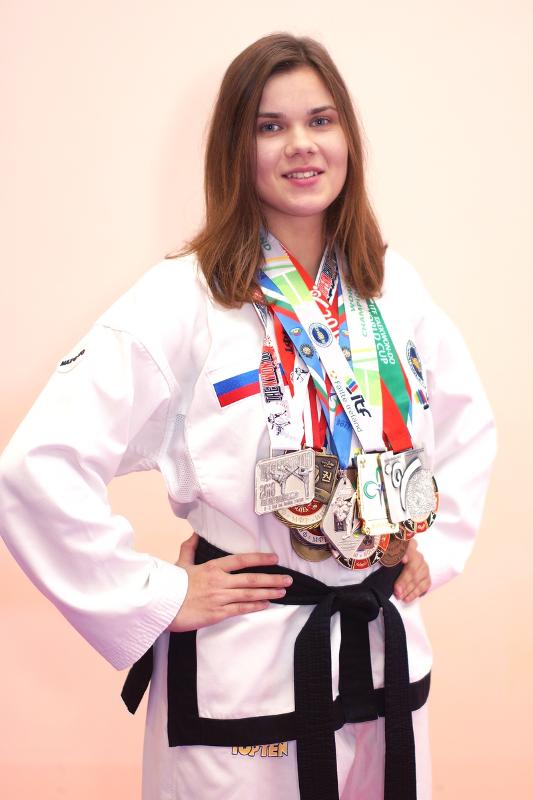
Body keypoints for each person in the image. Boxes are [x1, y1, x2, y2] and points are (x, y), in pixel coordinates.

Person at [0, 33, 496, 800]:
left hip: (379, 647)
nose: (301, 145)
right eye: (270, 126)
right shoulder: (183, 298)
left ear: (347, 137)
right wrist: (156, 595)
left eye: (320, 120)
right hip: (248, 665)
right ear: (235, 147)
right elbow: (36, 468)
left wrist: (432, 543)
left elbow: (466, 427)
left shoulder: (388, 284)